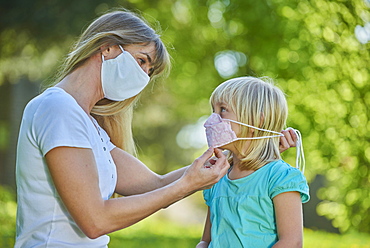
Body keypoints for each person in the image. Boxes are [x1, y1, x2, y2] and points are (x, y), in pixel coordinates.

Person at [14, 9, 231, 247]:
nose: (143, 77)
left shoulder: (90, 126)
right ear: (107, 47)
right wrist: (187, 185)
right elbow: (95, 220)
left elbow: (156, 185)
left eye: (148, 72)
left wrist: (237, 155)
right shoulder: (58, 108)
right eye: (141, 61)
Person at [196, 76, 310, 248]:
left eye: (223, 110)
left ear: (256, 120)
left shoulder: (280, 176)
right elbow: (207, 240)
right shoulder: (217, 177)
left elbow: (291, 242)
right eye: (213, 110)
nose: (212, 120)